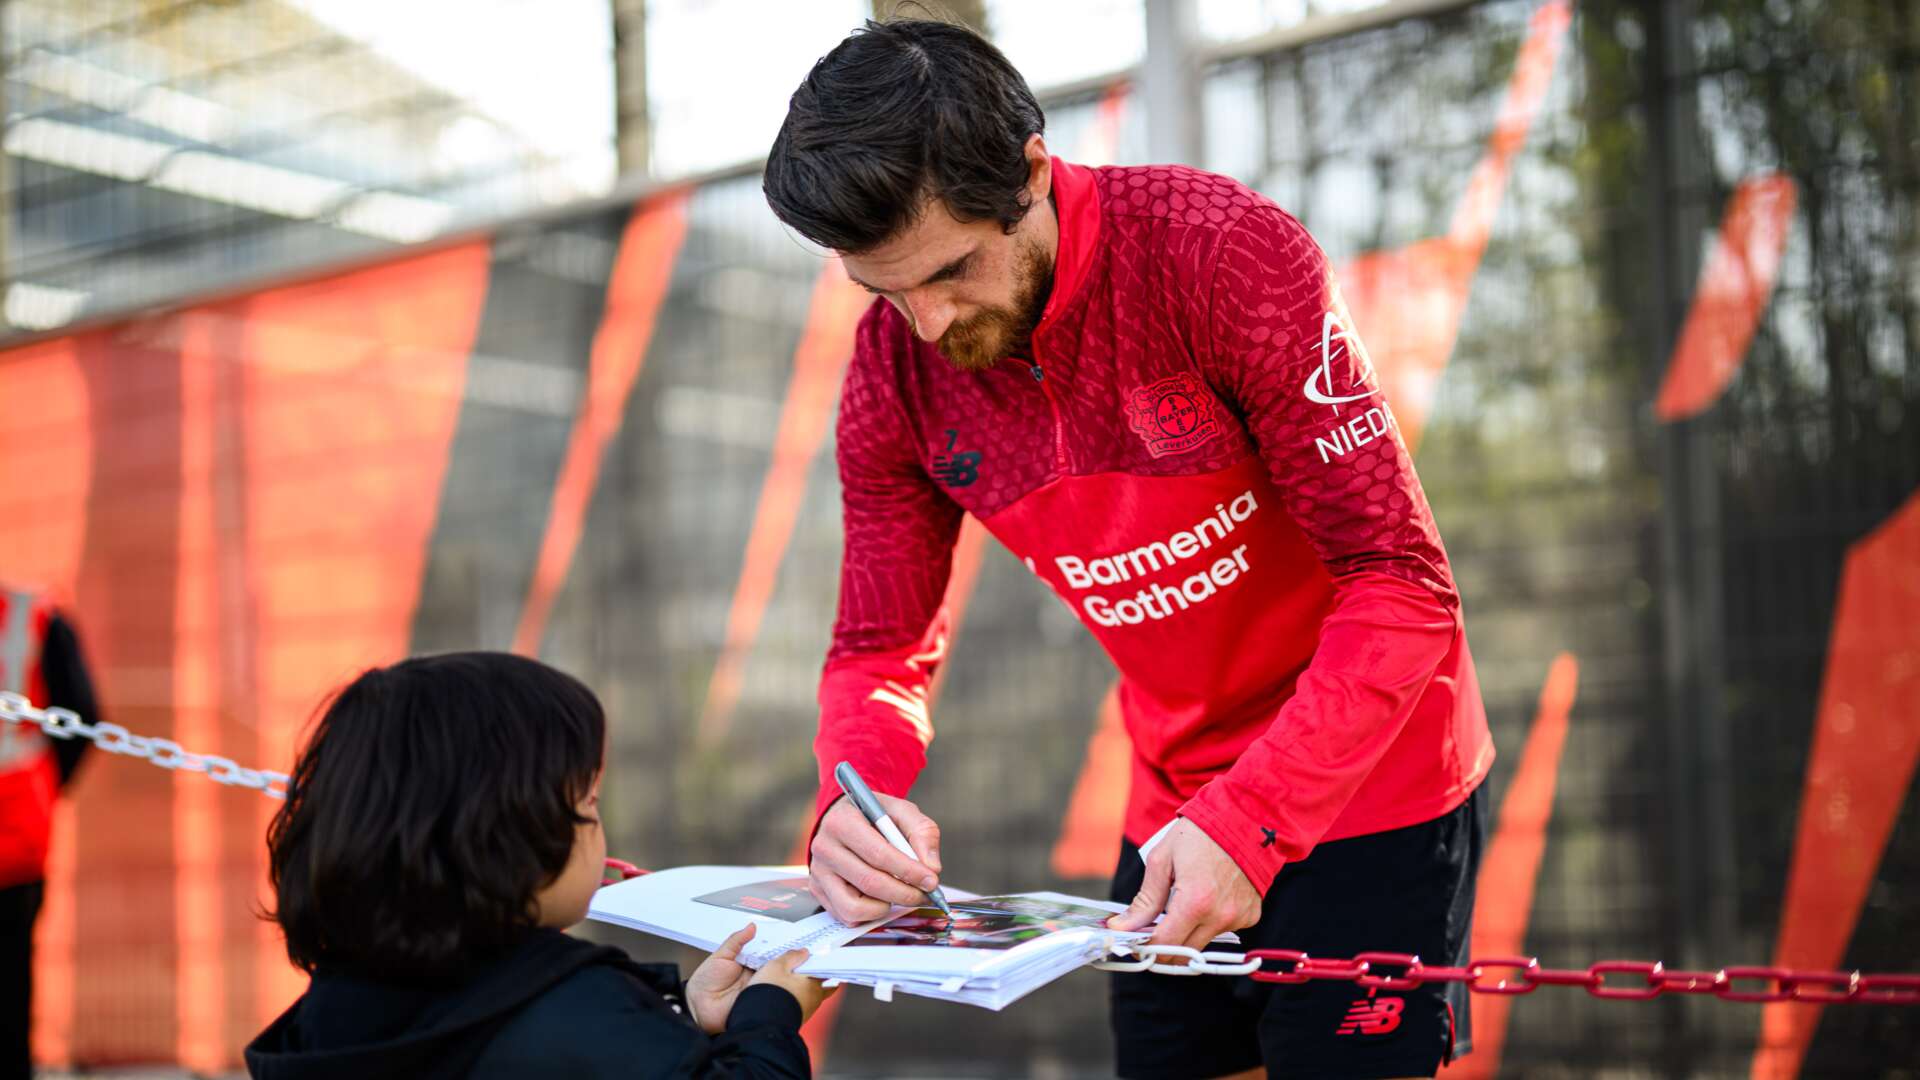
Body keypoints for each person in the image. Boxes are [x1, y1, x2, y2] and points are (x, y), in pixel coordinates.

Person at [764, 17, 1493, 1079]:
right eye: (884, 289)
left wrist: (1257, 820)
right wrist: (851, 798)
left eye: (955, 269)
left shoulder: (1220, 254)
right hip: (1174, 799)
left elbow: (1403, 586)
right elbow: (880, 646)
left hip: (1368, 779)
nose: (926, 323)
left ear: (1030, 171)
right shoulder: (890, 372)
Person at [245, 652, 833, 1079]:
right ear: (506, 835)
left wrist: (680, 1010)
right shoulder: (573, 1010)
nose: (600, 831)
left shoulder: (337, 1004)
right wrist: (769, 1020)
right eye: (589, 804)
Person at [0, 586, 97, 1080]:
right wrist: (43, 785)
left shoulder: (35, 618)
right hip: (17, 836)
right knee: (11, 982)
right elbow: (83, 713)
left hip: (15, 838)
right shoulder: (34, 618)